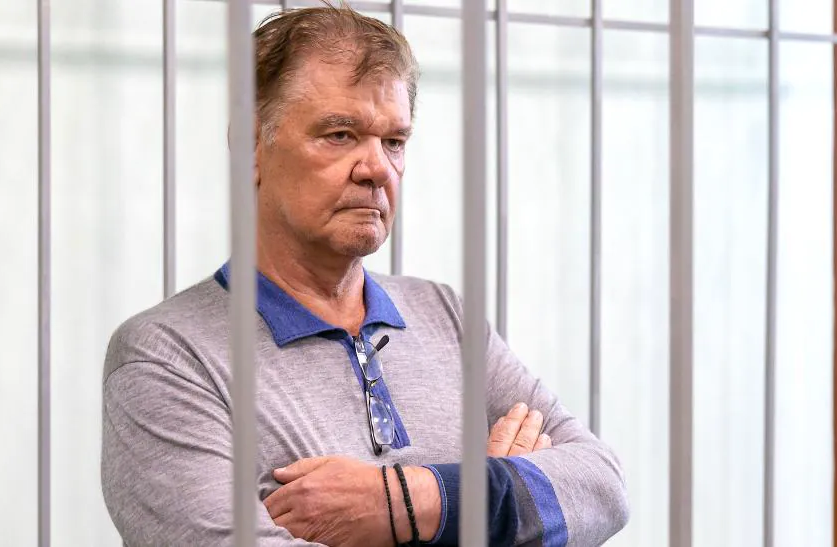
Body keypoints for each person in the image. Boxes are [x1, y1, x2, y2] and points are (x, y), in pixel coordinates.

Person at [100, 4, 629, 546]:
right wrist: (502, 509)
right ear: (253, 145)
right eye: (339, 134)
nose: (377, 167)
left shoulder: (445, 316)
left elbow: (602, 487)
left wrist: (408, 500)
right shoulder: (167, 357)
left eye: (394, 141)